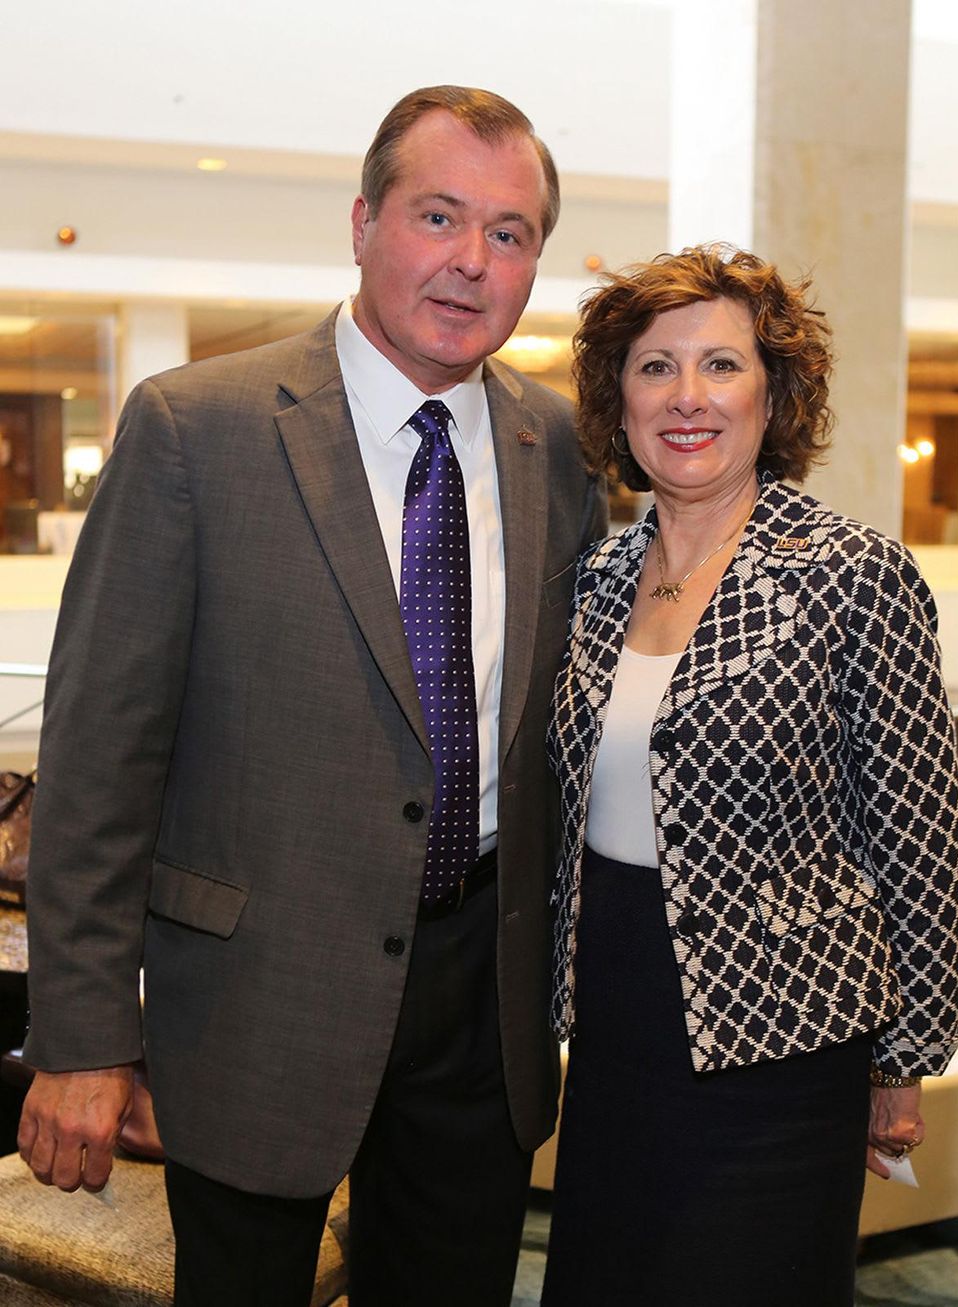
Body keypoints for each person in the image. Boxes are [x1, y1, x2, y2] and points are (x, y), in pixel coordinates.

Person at [17, 85, 606, 1307]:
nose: (469, 261)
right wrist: (81, 1035)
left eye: (507, 233)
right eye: (437, 215)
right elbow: (98, 756)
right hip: (254, 997)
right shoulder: (196, 428)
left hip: (477, 1002)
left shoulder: (554, 444)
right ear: (360, 222)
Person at [542, 246, 958, 1306]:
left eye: (720, 365)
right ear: (617, 398)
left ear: (771, 394)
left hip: (782, 1043)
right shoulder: (594, 576)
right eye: (654, 367)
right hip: (611, 1023)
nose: (686, 397)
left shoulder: (849, 572)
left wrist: (904, 1055)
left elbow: (916, 835)